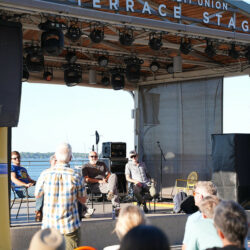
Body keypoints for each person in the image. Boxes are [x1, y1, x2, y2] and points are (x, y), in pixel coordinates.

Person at [35, 143, 86, 250]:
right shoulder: (76, 175)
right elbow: (83, 199)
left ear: (55, 157)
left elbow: (37, 194)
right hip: (70, 225)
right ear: (70, 158)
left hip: (49, 225)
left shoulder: (45, 174)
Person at [182, 181, 217, 250]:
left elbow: (187, 247)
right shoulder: (229, 216)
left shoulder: (194, 219)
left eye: (194, 193)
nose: (193, 196)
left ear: (200, 196)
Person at [35, 154, 57, 222]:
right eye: (55, 160)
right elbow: (40, 184)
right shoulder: (46, 172)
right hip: (47, 190)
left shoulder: (63, 172)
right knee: (41, 191)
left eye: (58, 161)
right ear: (50, 161)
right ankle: (38, 211)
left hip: (57, 190)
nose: (56, 162)